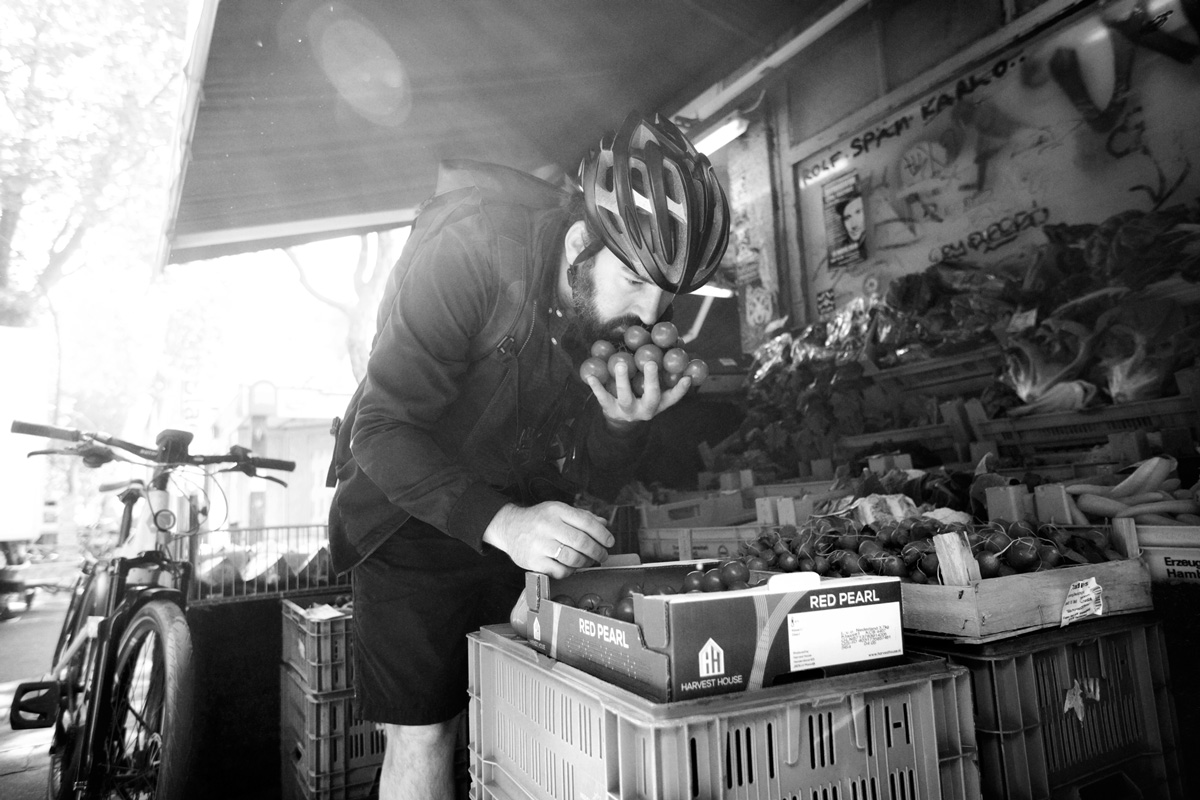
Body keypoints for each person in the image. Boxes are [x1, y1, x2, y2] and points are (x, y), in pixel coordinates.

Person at [327, 110, 730, 800]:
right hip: (407, 519)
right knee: (426, 733)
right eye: (635, 281)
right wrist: (506, 523)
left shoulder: (605, 320)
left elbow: (590, 472)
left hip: (522, 526)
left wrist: (617, 422)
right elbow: (381, 429)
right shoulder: (471, 251)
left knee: (529, 709)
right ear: (582, 241)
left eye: (668, 296)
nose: (650, 314)